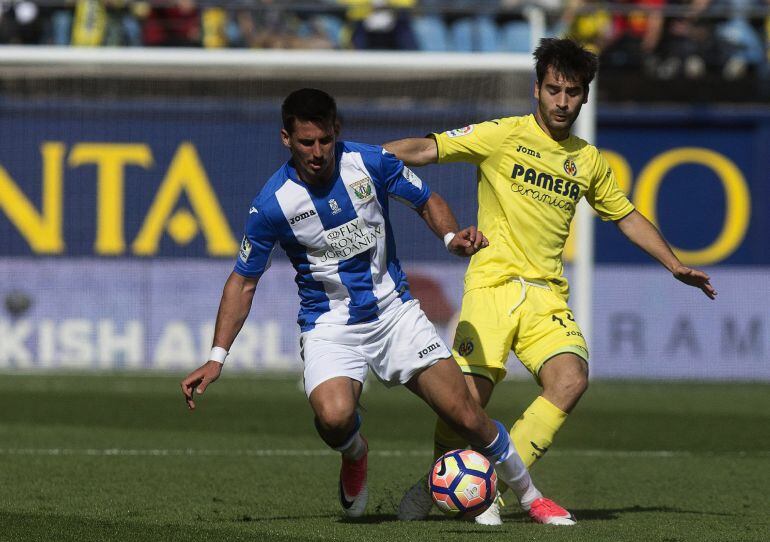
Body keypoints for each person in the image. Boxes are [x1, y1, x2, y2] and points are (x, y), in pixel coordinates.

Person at [180, 88, 575, 525]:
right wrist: (217, 357)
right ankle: (355, 452)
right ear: (286, 139)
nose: (317, 152)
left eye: (325, 140)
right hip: (330, 325)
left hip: (396, 314)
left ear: (337, 132)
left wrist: (449, 238)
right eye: (306, 142)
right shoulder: (272, 204)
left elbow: (427, 199)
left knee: (466, 414)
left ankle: (531, 497)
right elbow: (243, 281)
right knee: (333, 418)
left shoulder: (369, 162)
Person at [385, 38, 717, 525]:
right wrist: (360, 160)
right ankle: (438, 483)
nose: (563, 102)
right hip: (492, 287)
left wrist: (673, 263)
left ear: (585, 96)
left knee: (571, 378)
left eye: (574, 92)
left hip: (544, 295)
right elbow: (427, 148)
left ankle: (489, 490)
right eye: (554, 89)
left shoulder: (587, 160)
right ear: (536, 90)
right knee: (466, 405)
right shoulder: (502, 135)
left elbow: (625, 217)